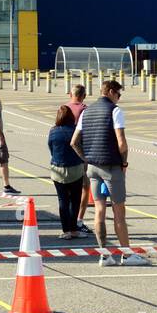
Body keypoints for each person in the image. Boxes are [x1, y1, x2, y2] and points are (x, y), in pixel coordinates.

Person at [70, 80, 145, 265]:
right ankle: (127, 255)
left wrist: (86, 158)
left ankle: (104, 255)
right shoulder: (115, 111)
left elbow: (74, 142)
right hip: (111, 167)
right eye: (118, 95)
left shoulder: (86, 111)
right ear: (111, 92)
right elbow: (122, 142)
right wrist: (124, 163)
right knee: (119, 213)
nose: (119, 99)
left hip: (93, 167)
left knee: (99, 211)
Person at [48, 105, 86, 239]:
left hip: (57, 169)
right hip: (75, 168)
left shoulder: (53, 131)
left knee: (62, 200)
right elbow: (81, 146)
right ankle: (74, 229)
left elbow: (51, 148)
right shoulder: (76, 130)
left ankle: (66, 231)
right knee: (75, 200)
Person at [66, 84, 92, 235]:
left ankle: (68, 219)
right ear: (84, 95)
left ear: (71, 94)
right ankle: (79, 220)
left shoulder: (63, 108)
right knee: (84, 188)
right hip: (80, 151)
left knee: (67, 190)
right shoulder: (85, 110)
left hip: (64, 152)